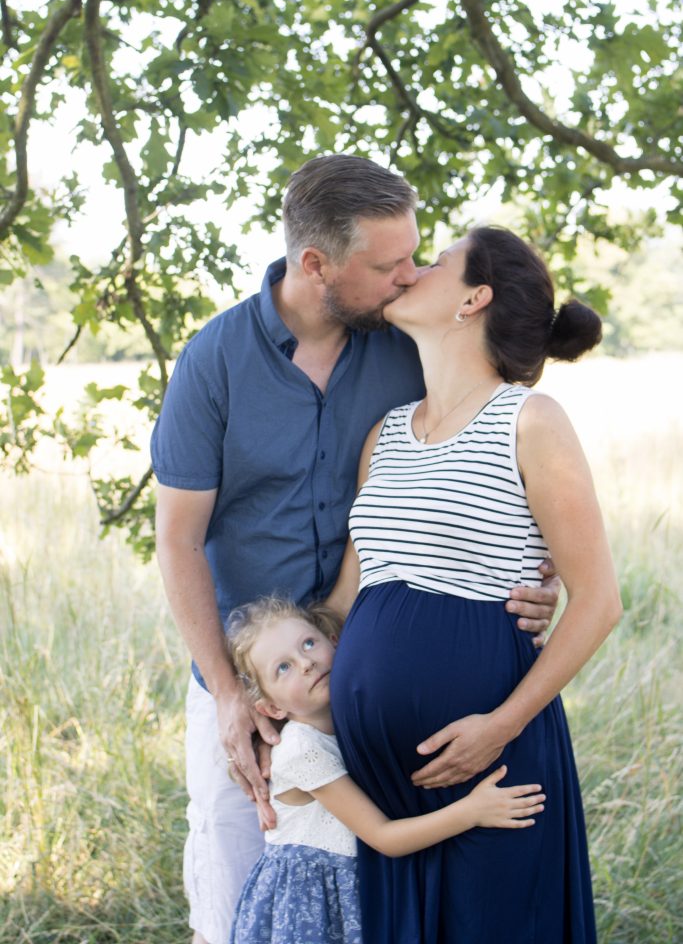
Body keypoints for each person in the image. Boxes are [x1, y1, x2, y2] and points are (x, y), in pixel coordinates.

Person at [151, 156, 559, 944]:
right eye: (386, 265)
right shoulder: (215, 361)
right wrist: (234, 698)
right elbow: (177, 540)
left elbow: (488, 450)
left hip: (363, 670)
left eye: (415, 257)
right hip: (250, 676)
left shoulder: (404, 344)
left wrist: (528, 573)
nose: (407, 278)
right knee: (235, 872)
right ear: (316, 265)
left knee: (363, 883)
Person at [328, 225, 623, 944]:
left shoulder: (528, 421)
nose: (411, 272)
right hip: (387, 784)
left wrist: (502, 724)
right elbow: (348, 598)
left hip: (495, 759)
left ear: (474, 298)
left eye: (435, 262)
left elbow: (599, 601)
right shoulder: (386, 434)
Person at [226, 595, 546, 944]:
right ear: (271, 708)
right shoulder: (301, 750)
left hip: (354, 890)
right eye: (282, 668)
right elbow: (383, 837)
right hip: (312, 909)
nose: (305, 662)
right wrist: (471, 812)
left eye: (308, 643)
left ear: (334, 641)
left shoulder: (354, 722)